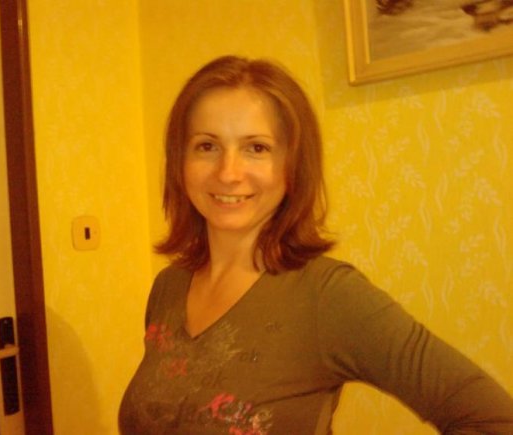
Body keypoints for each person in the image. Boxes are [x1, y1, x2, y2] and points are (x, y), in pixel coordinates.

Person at [119, 55, 513, 434]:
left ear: (292, 165)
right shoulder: (169, 287)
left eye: (256, 148)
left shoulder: (328, 295)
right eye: (207, 146)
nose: (228, 172)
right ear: (180, 161)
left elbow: (496, 421)